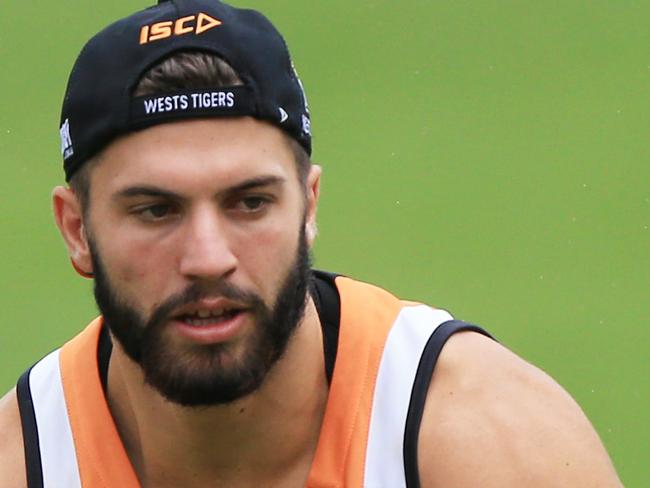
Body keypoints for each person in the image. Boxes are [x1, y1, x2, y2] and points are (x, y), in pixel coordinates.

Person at [0, 1, 622, 486]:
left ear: (309, 206)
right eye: (156, 210)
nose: (209, 258)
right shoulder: (20, 463)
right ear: (77, 231)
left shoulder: (484, 443)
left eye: (251, 203)